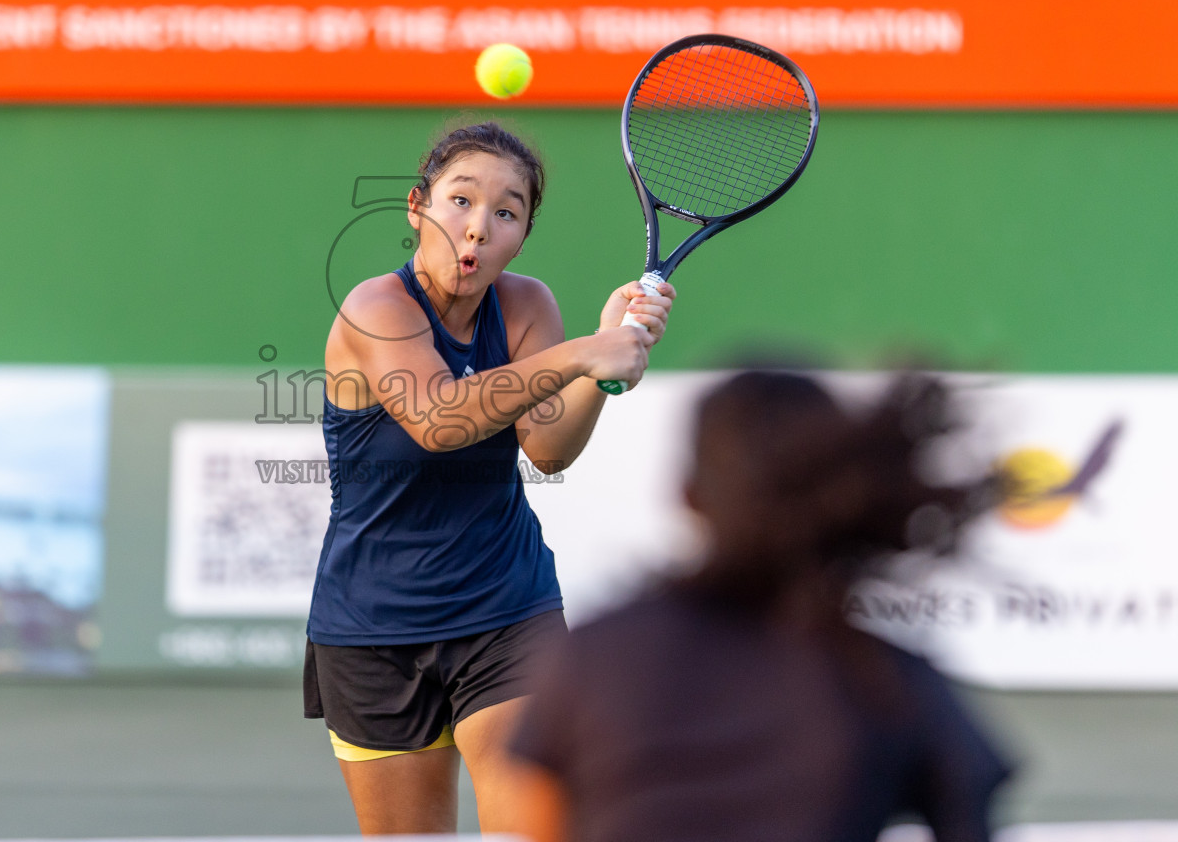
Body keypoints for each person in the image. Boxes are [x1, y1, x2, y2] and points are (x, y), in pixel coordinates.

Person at [305, 121, 676, 834]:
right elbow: (439, 419)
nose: (477, 228)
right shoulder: (373, 307)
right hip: (372, 627)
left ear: (523, 237)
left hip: (507, 609)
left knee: (544, 828)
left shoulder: (528, 306)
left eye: (506, 213)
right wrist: (582, 355)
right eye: (460, 201)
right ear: (417, 207)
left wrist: (605, 370)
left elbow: (548, 450)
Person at [508, 370, 1012, 842]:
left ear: (689, 496)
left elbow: (539, 825)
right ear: (847, 498)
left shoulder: (594, 657)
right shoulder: (889, 682)